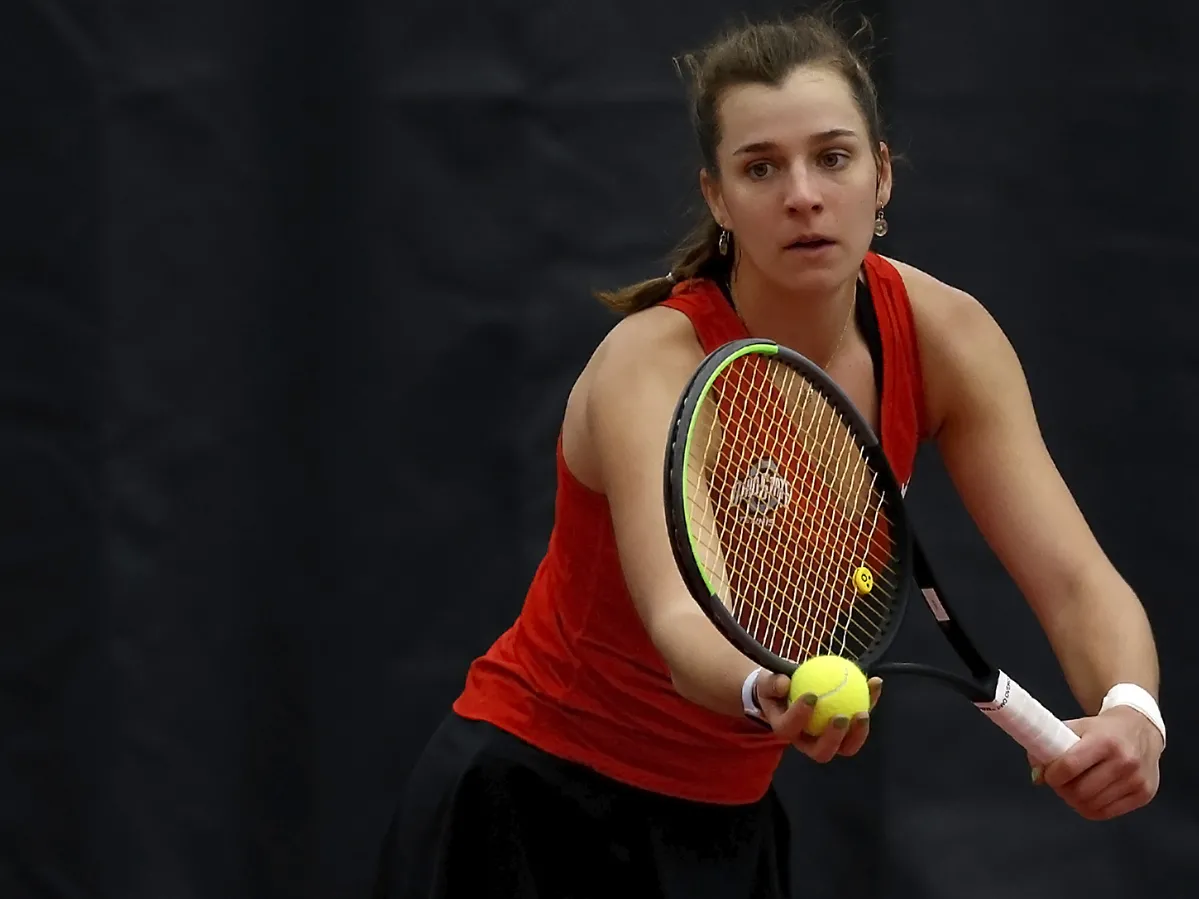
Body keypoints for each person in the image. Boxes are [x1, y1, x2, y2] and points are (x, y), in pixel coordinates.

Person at [374, 10, 1165, 899]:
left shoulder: (947, 338)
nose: (802, 194)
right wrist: (764, 690)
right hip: (531, 810)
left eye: (832, 157)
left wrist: (1132, 713)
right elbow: (678, 624)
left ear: (882, 174)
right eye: (761, 167)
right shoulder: (653, 362)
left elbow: (1074, 580)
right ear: (717, 197)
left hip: (727, 826)